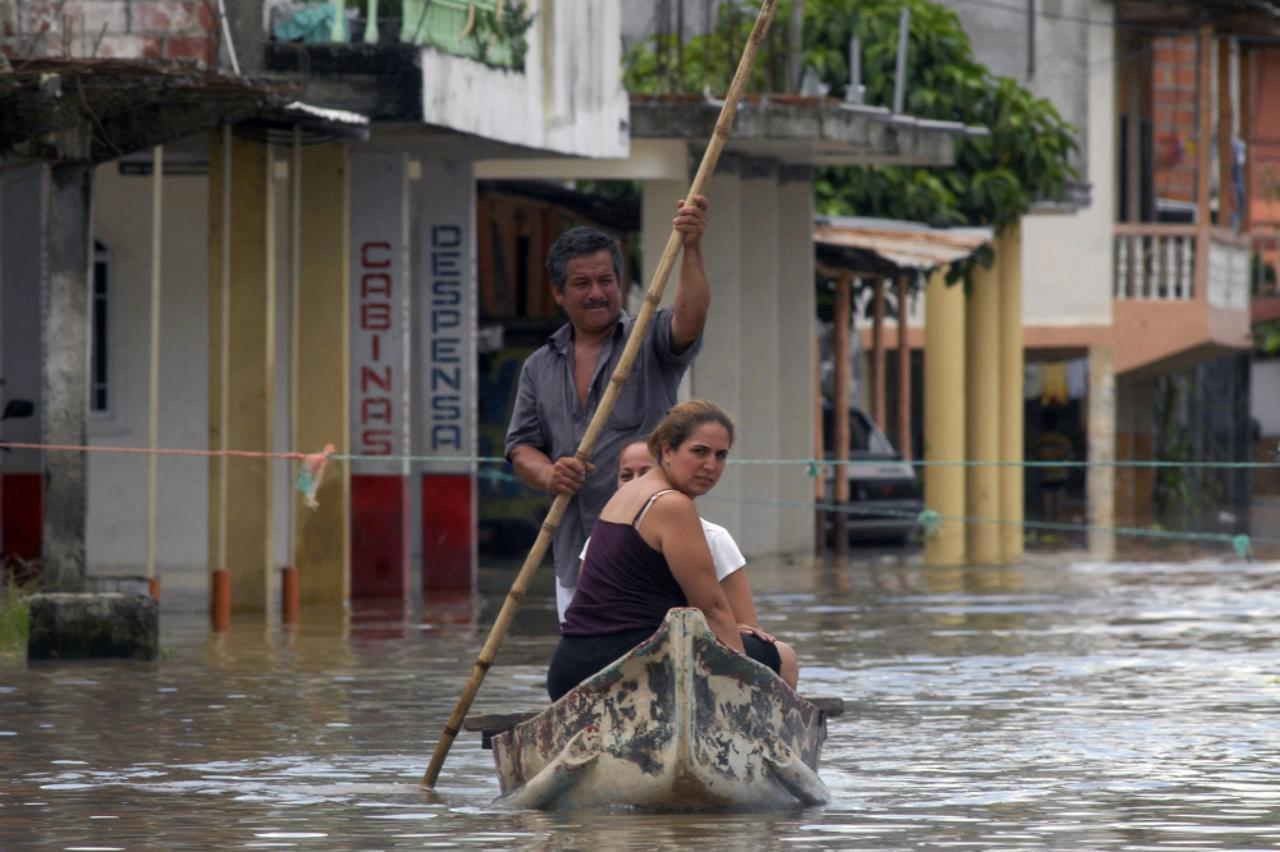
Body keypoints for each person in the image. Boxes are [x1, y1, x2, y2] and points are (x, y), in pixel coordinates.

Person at [505, 198, 711, 616]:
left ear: (620, 281)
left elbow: (691, 319)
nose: (597, 293)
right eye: (582, 284)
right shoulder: (539, 365)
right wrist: (549, 473)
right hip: (573, 553)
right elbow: (521, 448)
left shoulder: (648, 338)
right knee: (587, 674)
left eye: (606, 280)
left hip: (650, 550)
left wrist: (691, 247)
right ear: (559, 293)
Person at [547, 401, 798, 702]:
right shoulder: (672, 504)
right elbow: (712, 608)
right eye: (699, 451)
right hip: (627, 667)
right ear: (666, 451)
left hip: (570, 669)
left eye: (721, 456)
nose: (711, 466)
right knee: (783, 655)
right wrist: (742, 680)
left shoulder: (626, 494)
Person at [566, 438, 761, 636]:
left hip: (693, 647)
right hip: (618, 645)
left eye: (646, 474)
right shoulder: (601, 539)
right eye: (626, 475)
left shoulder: (715, 539)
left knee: (778, 653)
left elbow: (747, 625)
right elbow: (588, 612)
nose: (636, 483)